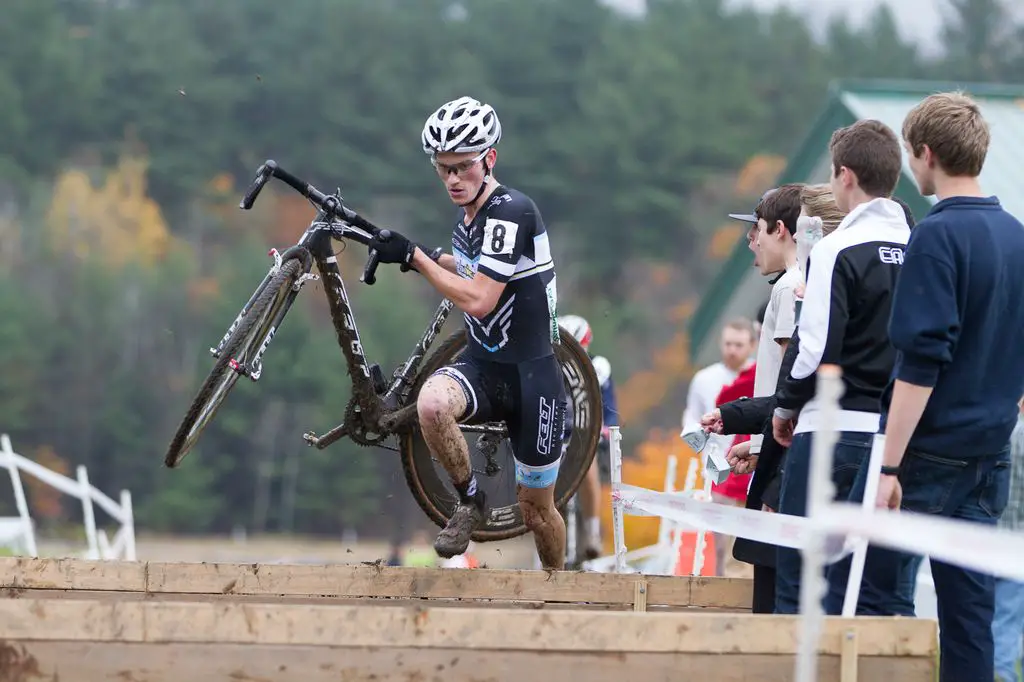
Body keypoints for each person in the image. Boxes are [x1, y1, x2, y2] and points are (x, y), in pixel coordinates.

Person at [858, 92, 1024, 682]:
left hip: (926, 454)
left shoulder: (934, 237)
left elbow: (922, 360)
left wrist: (888, 467)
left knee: (880, 602)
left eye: (911, 153)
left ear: (926, 153)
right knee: (969, 618)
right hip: (989, 452)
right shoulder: (1017, 237)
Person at [367, 96, 568, 568]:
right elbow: (476, 267)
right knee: (432, 404)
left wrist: (415, 259)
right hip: (483, 366)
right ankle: (470, 499)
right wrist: (419, 252)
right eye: (443, 170)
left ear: (490, 159)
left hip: (533, 379)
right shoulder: (469, 218)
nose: (453, 180)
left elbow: (480, 298)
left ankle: (560, 589)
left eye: (463, 168)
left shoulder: (511, 210)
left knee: (536, 510)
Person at [769, 119, 910, 615]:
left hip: (833, 428)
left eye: (832, 177)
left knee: (801, 586)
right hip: (894, 437)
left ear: (846, 176)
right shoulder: (918, 247)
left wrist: (784, 406)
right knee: (874, 594)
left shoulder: (834, 249)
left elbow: (814, 347)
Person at [681, 317, 756, 574]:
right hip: (716, 467)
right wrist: (699, 444)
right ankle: (723, 585)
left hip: (751, 467)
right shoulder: (704, 379)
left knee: (748, 536)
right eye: (728, 343)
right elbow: (691, 417)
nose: (732, 350)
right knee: (721, 539)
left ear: (752, 345)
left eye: (738, 344)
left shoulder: (760, 375)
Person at [556, 314, 619, 560]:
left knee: (587, 465)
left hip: (586, 432)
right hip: (556, 431)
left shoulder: (599, 366)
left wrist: (607, 427)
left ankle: (592, 531)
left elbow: (610, 406)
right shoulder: (550, 367)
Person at [994, 398, 1024, 682]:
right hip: (1018, 547)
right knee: (1009, 619)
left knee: (991, 618)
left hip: (989, 539)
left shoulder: (1004, 434)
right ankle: (1003, 675)